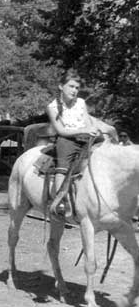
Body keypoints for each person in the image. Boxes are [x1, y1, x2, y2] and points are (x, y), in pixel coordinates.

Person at [46, 69, 99, 217]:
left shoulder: (81, 102)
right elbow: (61, 131)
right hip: (67, 139)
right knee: (62, 167)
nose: (75, 90)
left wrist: (91, 130)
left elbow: (87, 121)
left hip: (85, 137)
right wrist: (83, 130)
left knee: (106, 151)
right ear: (61, 86)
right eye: (71, 86)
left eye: (77, 88)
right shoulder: (53, 107)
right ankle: (60, 201)